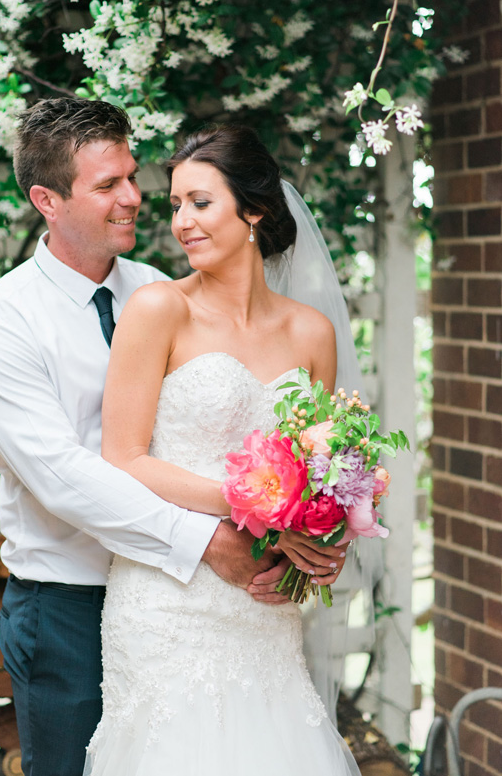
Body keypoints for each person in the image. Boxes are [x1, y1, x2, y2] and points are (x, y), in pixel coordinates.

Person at [0, 100, 346, 776]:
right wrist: (220, 531)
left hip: (221, 594)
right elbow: (66, 477)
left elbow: (291, 449)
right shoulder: (3, 324)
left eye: (133, 177)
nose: (136, 199)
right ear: (47, 200)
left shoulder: (161, 290)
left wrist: (313, 535)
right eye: (108, 185)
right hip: (72, 603)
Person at [85, 124, 361, 776]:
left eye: (200, 202)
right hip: (169, 599)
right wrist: (254, 507)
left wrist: (323, 546)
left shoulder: (312, 331)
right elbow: (123, 456)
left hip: (265, 607)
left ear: (255, 209)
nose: (181, 221)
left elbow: (325, 474)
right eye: (176, 204)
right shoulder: (158, 310)